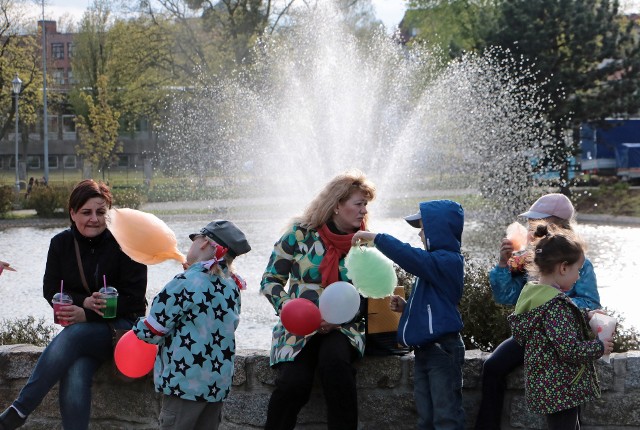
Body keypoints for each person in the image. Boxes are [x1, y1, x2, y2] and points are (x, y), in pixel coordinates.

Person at [0, 179, 148, 430]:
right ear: (72, 213)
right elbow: (50, 289)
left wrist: (87, 314)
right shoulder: (61, 244)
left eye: (101, 212)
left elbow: (135, 299)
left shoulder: (127, 242)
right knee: (76, 369)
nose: (94, 219)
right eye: (86, 212)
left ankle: (20, 410)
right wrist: (82, 303)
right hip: (87, 336)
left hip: (123, 330)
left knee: (74, 334)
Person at [260, 169, 376, 430]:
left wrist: (341, 319)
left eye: (365, 206)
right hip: (298, 327)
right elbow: (270, 281)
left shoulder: (365, 244)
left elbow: (371, 293)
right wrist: (289, 307)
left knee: (335, 366)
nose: (363, 212)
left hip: (344, 328)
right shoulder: (298, 235)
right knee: (293, 384)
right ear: (337, 206)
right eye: (358, 204)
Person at [475, 193, 601, 429]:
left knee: (569, 389)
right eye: (531, 224)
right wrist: (504, 265)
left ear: (557, 225)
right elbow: (506, 296)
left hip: (562, 334)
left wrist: (555, 308)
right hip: (533, 335)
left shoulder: (579, 261)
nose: (530, 229)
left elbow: (591, 303)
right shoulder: (531, 259)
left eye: (535, 223)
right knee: (492, 367)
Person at [352, 199, 466, 430]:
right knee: (426, 418)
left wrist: (376, 238)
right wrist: (407, 307)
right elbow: (434, 306)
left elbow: (409, 256)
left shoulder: (448, 262)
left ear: (439, 230)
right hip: (426, 352)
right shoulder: (433, 265)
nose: (420, 234)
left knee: (446, 417)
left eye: (424, 228)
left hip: (442, 351)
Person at [132, 220, 251, 430]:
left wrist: (136, 326)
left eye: (194, 240)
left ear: (205, 242)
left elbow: (154, 330)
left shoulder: (184, 282)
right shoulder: (232, 285)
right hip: (215, 385)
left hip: (184, 383)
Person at [507, 223, 613, 429]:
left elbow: (557, 326)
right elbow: (569, 350)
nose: (579, 276)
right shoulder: (556, 306)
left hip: (548, 387)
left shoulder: (535, 296)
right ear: (563, 267)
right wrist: (599, 347)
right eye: (577, 270)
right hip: (562, 387)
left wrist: (586, 314)